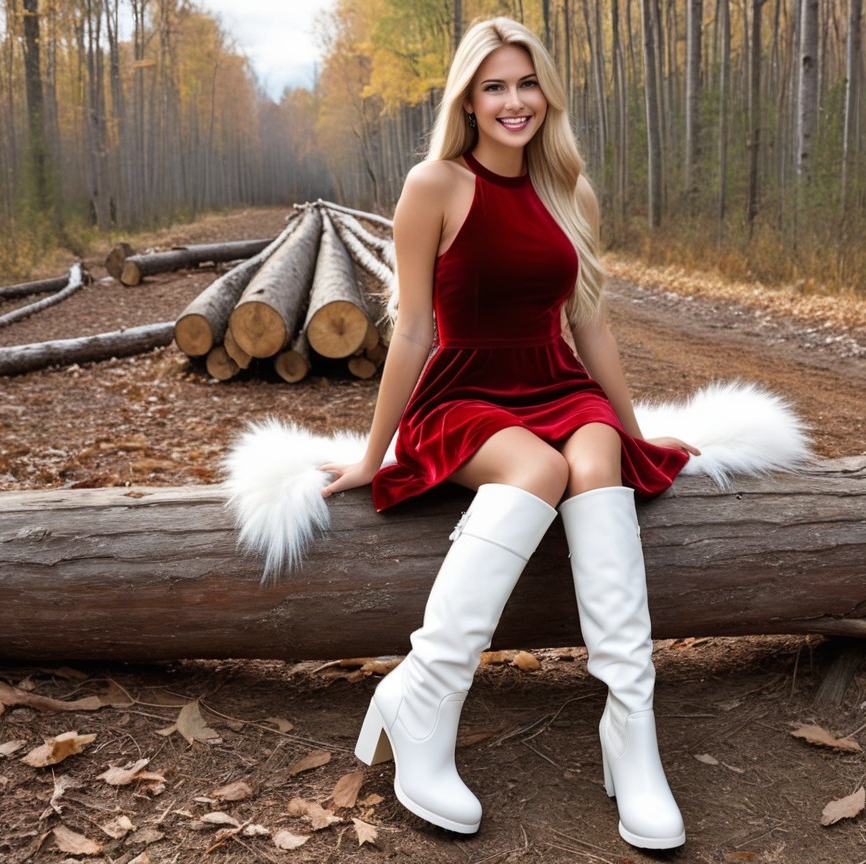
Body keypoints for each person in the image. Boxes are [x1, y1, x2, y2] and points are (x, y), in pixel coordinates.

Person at [317, 16, 696, 850]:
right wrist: (372, 455)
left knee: (596, 460)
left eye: (527, 84)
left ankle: (632, 733)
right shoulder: (435, 184)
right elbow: (412, 329)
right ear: (468, 99)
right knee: (536, 472)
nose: (514, 101)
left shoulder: (572, 191)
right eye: (495, 87)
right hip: (464, 392)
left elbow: (591, 327)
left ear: (546, 93)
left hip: (554, 380)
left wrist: (636, 434)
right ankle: (426, 698)